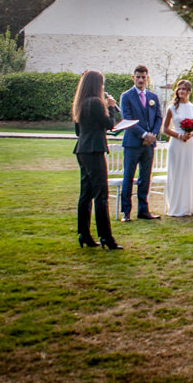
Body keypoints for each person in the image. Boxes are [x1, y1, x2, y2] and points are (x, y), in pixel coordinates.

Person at [72, 70, 122, 249]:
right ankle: (106, 238)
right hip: (94, 149)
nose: (103, 88)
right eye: (101, 84)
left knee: (85, 193)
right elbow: (109, 125)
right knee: (101, 194)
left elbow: (78, 131)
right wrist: (110, 107)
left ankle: (84, 233)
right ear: (96, 85)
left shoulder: (80, 102)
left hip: (82, 149)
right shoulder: (94, 102)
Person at [120, 64, 163, 221]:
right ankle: (126, 212)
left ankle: (143, 211)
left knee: (145, 177)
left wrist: (153, 135)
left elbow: (159, 117)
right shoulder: (126, 96)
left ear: (147, 78)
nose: (140, 80)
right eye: (138, 77)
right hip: (132, 144)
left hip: (148, 145)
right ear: (133, 78)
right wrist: (144, 134)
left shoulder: (153, 97)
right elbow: (127, 120)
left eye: (143, 77)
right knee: (129, 177)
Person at [161, 79, 193, 217]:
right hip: (176, 144)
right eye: (179, 89)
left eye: (184, 89)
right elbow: (164, 129)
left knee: (188, 173)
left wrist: (191, 133)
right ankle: (175, 207)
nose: (181, 91)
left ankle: (188, 207)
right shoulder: (171, 108)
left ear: (189, 92)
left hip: (189, 144)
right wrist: (178, 135)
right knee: (176, 172)